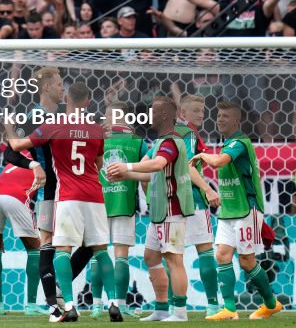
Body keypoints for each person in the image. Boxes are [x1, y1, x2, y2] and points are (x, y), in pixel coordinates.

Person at [8, 82, 121, 323]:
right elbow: (98, 165)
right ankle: (114, 303)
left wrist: (8, 124)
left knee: (62, 250)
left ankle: (69, 305)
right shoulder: (95, 129)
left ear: (66, 101)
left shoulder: (53, 125)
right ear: (88, 102)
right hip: (94, 195)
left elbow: (16, 146)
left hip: (68, 196)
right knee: (100, 250)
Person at [191, 101, 284, 321]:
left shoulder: (240, 142)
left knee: (246, 261)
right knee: (222, 255)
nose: (220, 119)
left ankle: (271, 304)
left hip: (247, 209)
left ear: (236, 120)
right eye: (218, 115)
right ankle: (230, 310)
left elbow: (218, 162)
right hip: (229, 210)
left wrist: (202, 155)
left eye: (225, 116)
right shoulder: (228, 143)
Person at [107, 96, 193, 322]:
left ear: (164, 115)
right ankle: (162, 309)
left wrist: (126, 166)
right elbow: (148, 172)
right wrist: (124, 174)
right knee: (151, 257)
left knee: (173, 259)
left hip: (172, 209)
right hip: (158, 211)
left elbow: (157, 165)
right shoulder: (158, 142)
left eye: (153, 111)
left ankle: (180, 313)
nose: (148, 115)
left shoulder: (171, 141)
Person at [92, 101, 144, 319]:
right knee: (121, 255)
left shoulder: (96, 138)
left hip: (98, 202)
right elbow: (149, 168)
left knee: (98, 255)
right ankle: (120, 305)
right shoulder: (137, 142)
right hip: (124, 202)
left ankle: (96, 306)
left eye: (108, 115)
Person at [175, 94, 223, 317]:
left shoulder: (172, 132)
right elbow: (187, 165)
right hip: (193, 200)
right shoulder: (189, 134)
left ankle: (176, 309)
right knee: (204, 250)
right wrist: (208, 188)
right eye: (195, 110)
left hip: (174, 201)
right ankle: (213, 305)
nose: (201, 114)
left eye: (202, 110)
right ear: (183, 113)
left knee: (171, 256)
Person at [0, 153, 42, 316]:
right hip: (16, 197)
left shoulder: (13, 163)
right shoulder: (40, 162)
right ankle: (31, 306)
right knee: (35, 248)